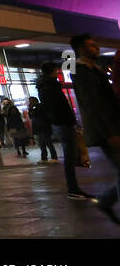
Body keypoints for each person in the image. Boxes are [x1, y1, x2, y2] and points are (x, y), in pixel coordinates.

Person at [68, 34, 120, 225]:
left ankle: (106, 201)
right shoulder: (82, 72)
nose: (96, 47)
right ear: (81, 49)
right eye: (91, 45)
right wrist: (109, 133)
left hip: (112, 127)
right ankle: (106, 201)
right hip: (107, 131)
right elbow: (93, 106)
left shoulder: (92, 69)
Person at [35, 60, 91, 200]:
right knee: (69, 156)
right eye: (56, 71)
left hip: (61, 123)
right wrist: (69, 122)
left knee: (70, 155)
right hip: (63, 124)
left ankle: (74, 188)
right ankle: (73, 189)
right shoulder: (50, 87)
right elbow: (59, 108)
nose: (57, 73)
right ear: (52, 71)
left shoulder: (46, 86)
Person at [27, 96, 57, 162]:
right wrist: (30, 109)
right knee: (42, 144)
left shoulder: (40, 107)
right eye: (29, 101)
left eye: (31, 101)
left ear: (35, 101)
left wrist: (32, 109)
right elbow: (31, 116)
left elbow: (40, 116)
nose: (30, 102)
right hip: (39, 129)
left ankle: (54, 157)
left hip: (44, 128)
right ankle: (44, 158)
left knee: (48, 143)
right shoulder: (33, 108)